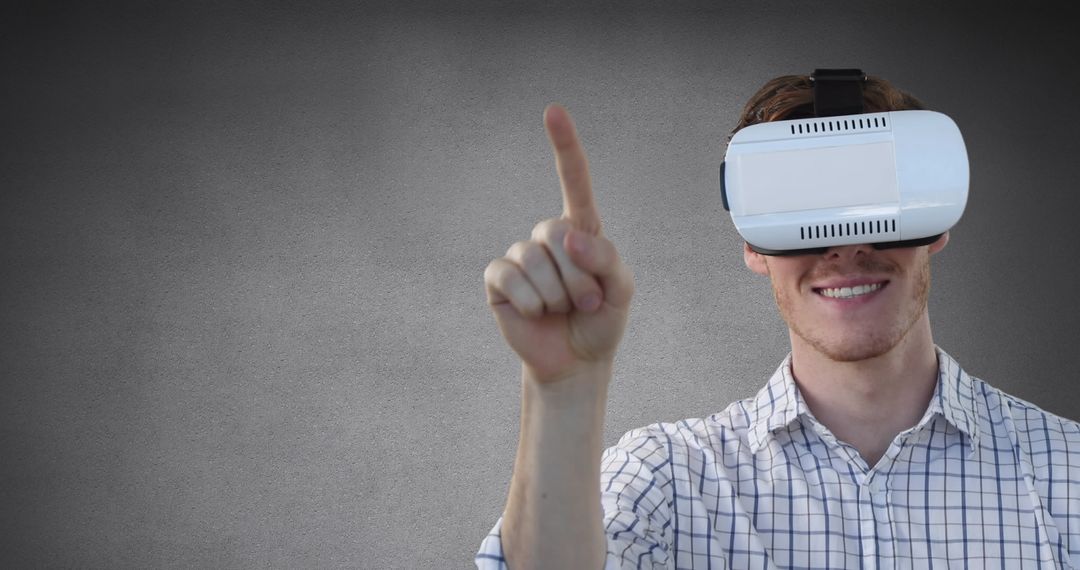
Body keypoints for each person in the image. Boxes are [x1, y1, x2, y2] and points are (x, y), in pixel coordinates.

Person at [475, 74, 1080, 569]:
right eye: (802, 209)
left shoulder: (1068, 472)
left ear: (935, 221)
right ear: (752, 244)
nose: (844, 247)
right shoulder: (667, 477)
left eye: (873, 200)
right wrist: (562, 394)